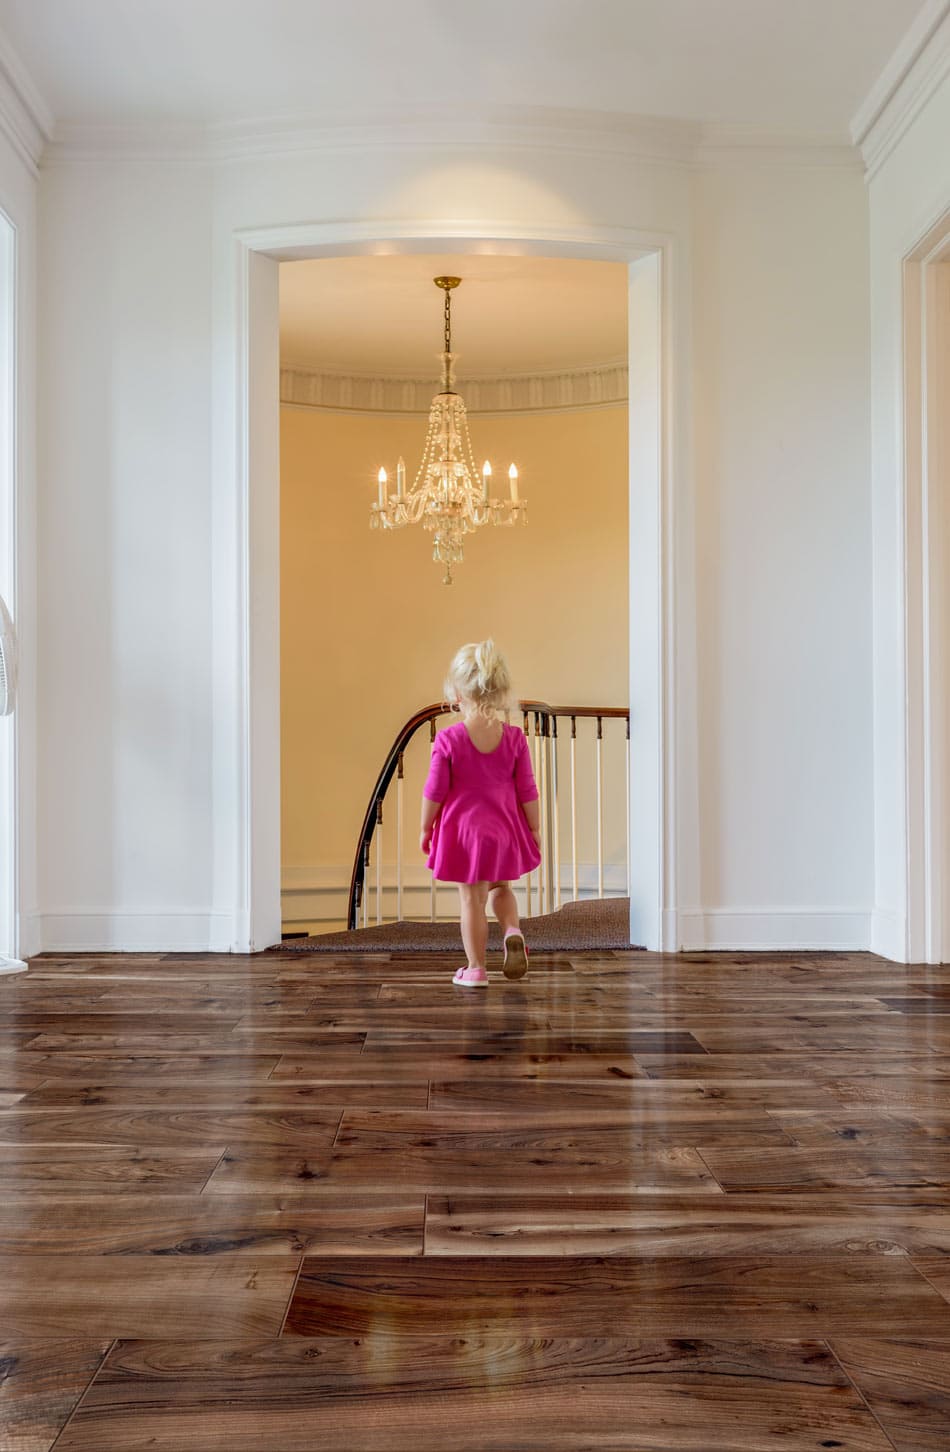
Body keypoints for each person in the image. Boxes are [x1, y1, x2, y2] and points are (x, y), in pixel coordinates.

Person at [420, 640, 542, 987]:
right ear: (501, 691)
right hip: (504, 828)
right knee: (501, 888)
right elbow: (527, 790)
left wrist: (425, 827)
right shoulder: (515, 738)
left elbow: (434, 791)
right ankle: (512, 930)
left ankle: (475, 968)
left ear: (458, 691)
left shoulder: (449, 739)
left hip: (464, 832)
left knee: (471, 898)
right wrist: (533, 829)